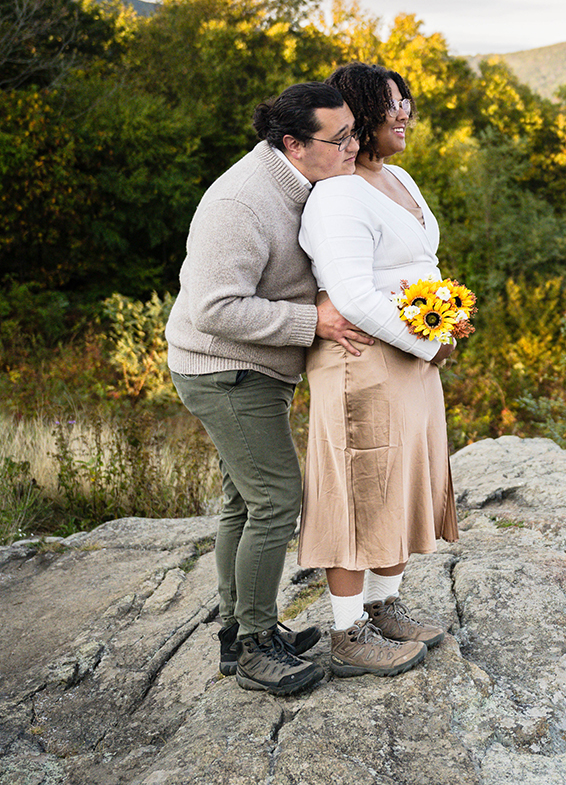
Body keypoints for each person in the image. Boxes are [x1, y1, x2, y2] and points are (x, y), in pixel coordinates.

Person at [166, 81, 373, 696]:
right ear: (292, 143)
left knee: (243, 502)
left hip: (252, 370)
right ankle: (257, 647)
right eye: (339, 140)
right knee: (278, 500)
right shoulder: (243, 202)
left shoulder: (303, 184)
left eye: (354, 134)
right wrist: (315, 322)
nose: (351, 148)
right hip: (224, 371)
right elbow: (214, 308)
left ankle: (241, 633)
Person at [296, 62, 459, 678]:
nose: (404, 112)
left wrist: (444, 321)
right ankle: (346, 630)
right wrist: (427, 344)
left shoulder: (401, 179)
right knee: (360, 483)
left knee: (400, 478)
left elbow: (424, 259)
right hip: (362, 360)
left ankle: (386, 605)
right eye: (390, 103)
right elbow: (355, 296)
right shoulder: (337, 195)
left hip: (413, 355)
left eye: (407, 99)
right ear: (361, 114)